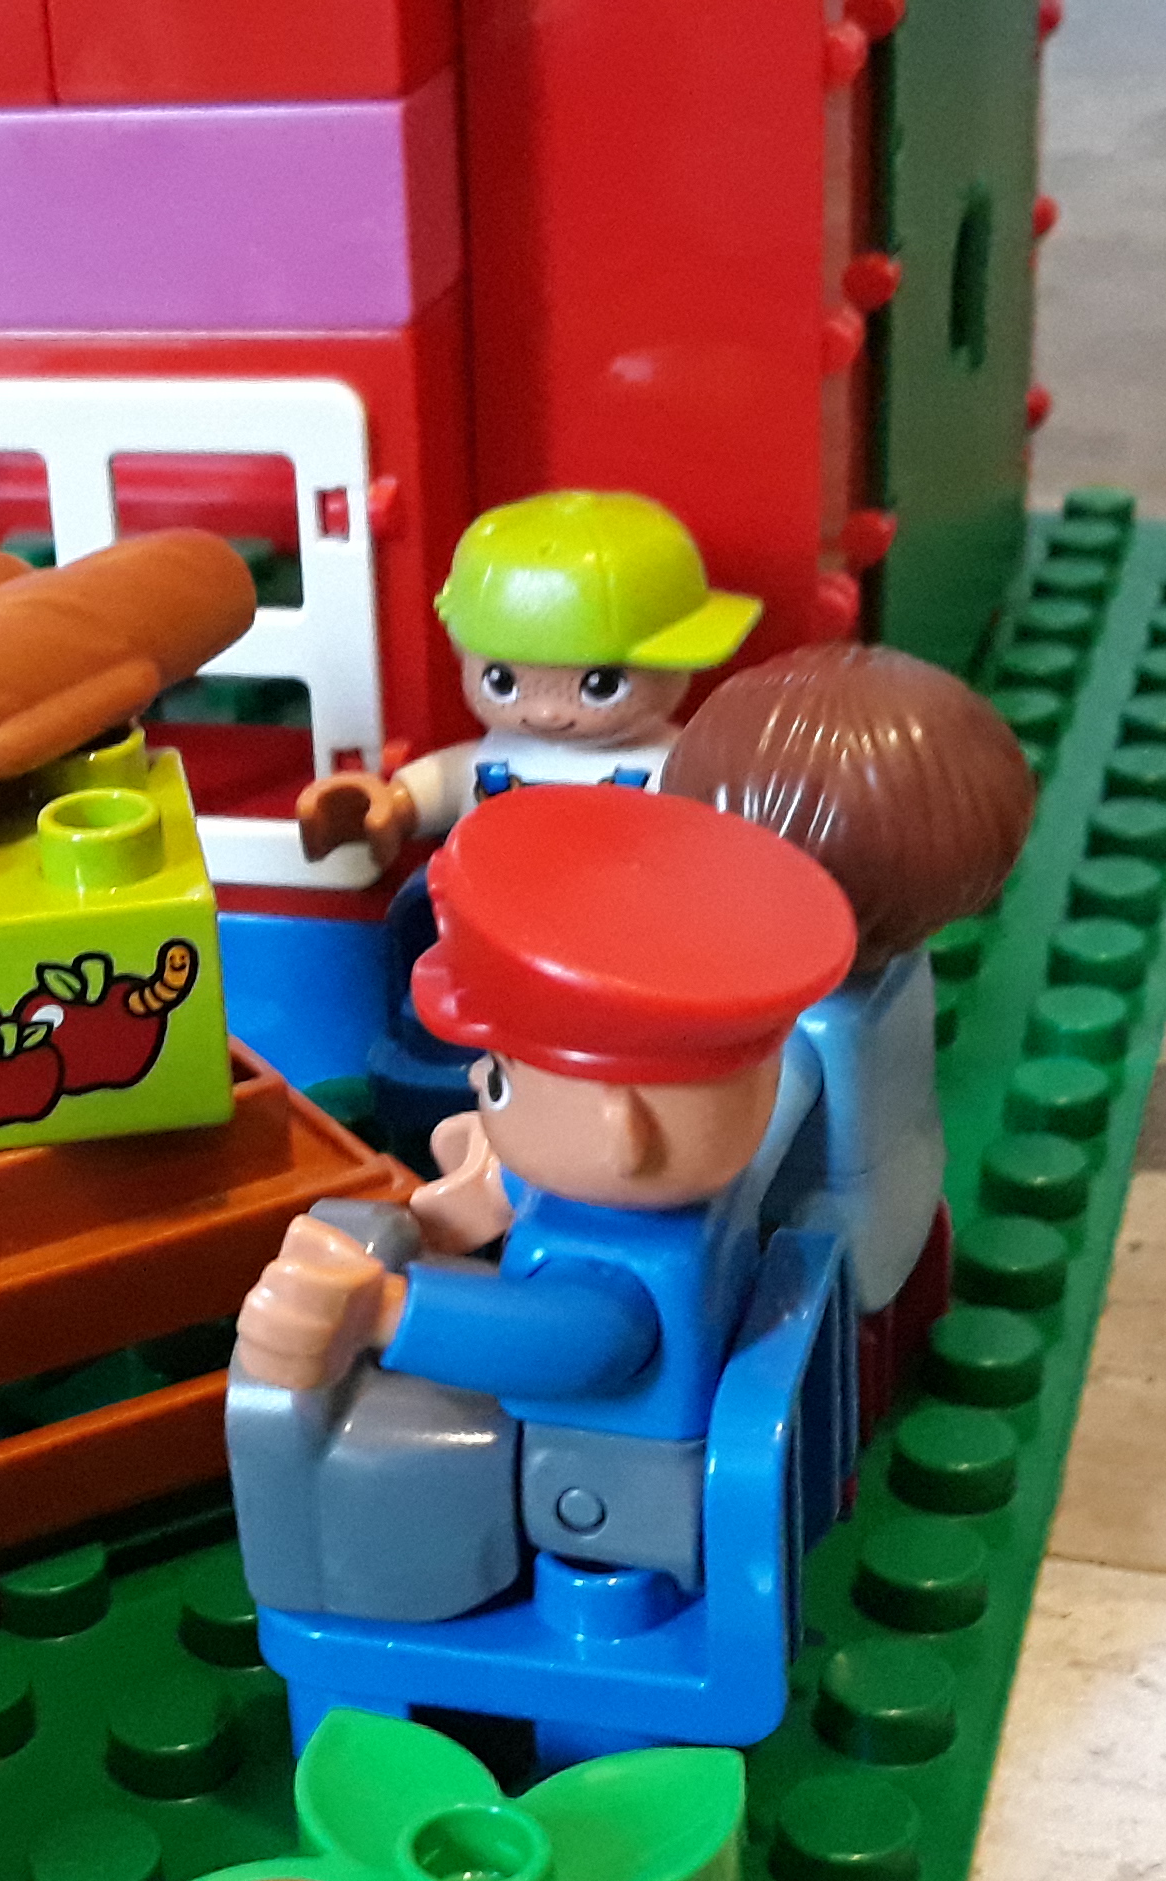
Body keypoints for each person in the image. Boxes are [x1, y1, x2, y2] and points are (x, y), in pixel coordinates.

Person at [234, 786, 856, 1605]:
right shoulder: (696, 1194)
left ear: (622, 1134)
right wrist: (498, 1183)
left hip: (599, 1490)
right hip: (605, 1454)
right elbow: (563, 1207)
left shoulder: (619, 1289)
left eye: (500, 1079)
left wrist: (383, 1313)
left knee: (370, 1470)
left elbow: (562, 1343)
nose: (477, 1083)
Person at [293, 491, 765, 1158]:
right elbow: (446, 781)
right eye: (503, 681)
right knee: (420, 941)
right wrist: (391, 805)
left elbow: (713, 846)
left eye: (599, 685)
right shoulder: (495, 755)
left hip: (614, 961)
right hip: (481, 951)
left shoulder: (674, 763)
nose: (547, 714)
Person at [658, 646, 1038, 1423]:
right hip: (909, 1191)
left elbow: (734, 1165)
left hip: (816, 1256)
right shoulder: (901, 969)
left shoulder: (795, 1030)